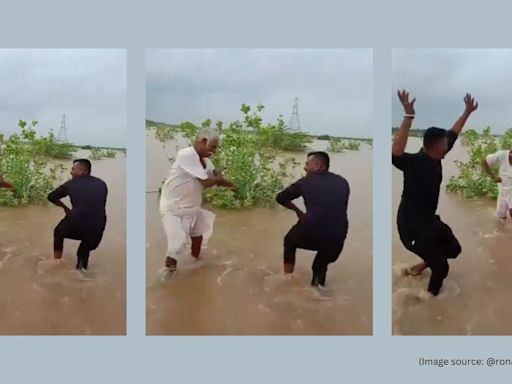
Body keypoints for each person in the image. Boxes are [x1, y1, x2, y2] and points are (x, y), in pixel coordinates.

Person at [392, 90, 478, 296]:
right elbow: (396, 152)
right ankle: (428, 300)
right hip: (411, 226)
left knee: (453, 250)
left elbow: (454, 132)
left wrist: (467, 112)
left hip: (429, 220)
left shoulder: (438, 155)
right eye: (445, 143)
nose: (449, 144)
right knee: (441, 268)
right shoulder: (415, 163)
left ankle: (420, 266)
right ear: (437, 145)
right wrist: (408, 116)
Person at [159, 128, 236, 272]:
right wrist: (219, 179)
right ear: (203, 141)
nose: (215, 151)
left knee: (198, 237)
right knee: (177, 244)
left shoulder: (206, 161)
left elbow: (214, 176)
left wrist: (231, 185)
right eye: (213, 147)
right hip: (173, 207)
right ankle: (169, 275)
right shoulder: (186, 154)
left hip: (192, 206)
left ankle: (195, 264)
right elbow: (205, 182)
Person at [276, 151, 350, 288]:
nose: (304, 168)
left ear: (318, 165)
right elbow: (336, 210)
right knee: (320, 265)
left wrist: (298, 212)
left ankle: (287, 278)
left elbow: (280, 198)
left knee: (290, 240)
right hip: (338, 236)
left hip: (312, 229)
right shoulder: (342, 182)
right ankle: (318, 290)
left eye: (307, 164)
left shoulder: (305, 182)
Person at [47, 159, 108, 272]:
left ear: (82, 171)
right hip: (98, 227)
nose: (71, 172)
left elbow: (51, 197)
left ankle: (56, 262)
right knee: (83, 251)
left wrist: (66, 209)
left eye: (73, 169)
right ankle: (81, 272)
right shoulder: (102, 184)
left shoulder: (71, 184)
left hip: (77, 222)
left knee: (58, 232)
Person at [483, 149, 512, 221]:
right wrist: (493, 177)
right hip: (503, 190)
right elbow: (485, 161)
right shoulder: (502, 155)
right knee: (501, 216)